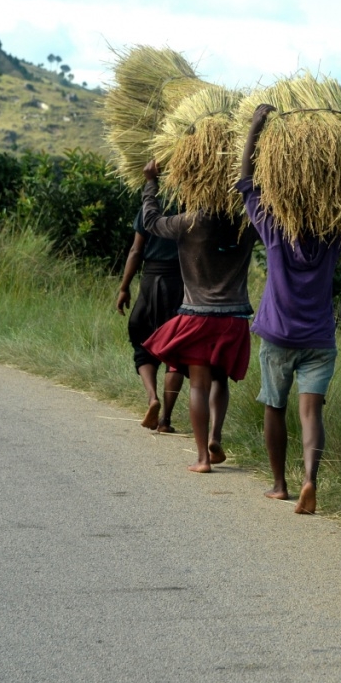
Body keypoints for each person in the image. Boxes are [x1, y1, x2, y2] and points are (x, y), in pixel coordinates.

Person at [236, 103, 341, 515]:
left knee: (275, 406)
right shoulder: (334, 236)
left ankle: (280, 485)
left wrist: (255, 128)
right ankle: (310, 480)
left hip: (278, 337)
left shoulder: (274, 231)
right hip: (319, 339)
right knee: (310, 412)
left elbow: (246, 182)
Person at [140, 159, 259, 474]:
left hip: (197, 317)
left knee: (198, 387)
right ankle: (215, 438)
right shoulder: (247, 225)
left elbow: (150, 221)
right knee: (221, 382)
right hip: (234, 320)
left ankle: (202, 459)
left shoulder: (188, 223)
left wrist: (151, 183)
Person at [116, 201, 185, 432]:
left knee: (142, 345)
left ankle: (152, 398)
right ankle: (165, 420)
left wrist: (124, 287)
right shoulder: (194, 204)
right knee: (176, 354)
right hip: (181, 285)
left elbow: (136, 250)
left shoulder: (150, 205)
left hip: (149, 283)